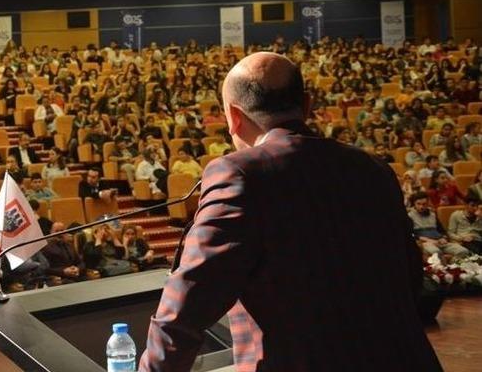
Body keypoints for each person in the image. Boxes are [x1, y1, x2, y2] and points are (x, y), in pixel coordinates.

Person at [141, 52, 442, 371]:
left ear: (233, 116)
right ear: (307, 105)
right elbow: (410, 278)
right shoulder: (375, 168)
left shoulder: (239, 174)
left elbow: (184, 310)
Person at [407, 192, 470, 259]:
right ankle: (442, 268)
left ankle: (452, 267)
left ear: (428, 203)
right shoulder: (410, 216)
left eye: (424, 204)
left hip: (439, 241)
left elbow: (441, 230)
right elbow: (411, 234)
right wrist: (428, 240)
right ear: (414, 204)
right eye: (418, 204)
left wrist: (443, 238)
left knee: (464, 251)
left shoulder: (432, 214)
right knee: (436, 252)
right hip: (425, 243)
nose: (421, 207)